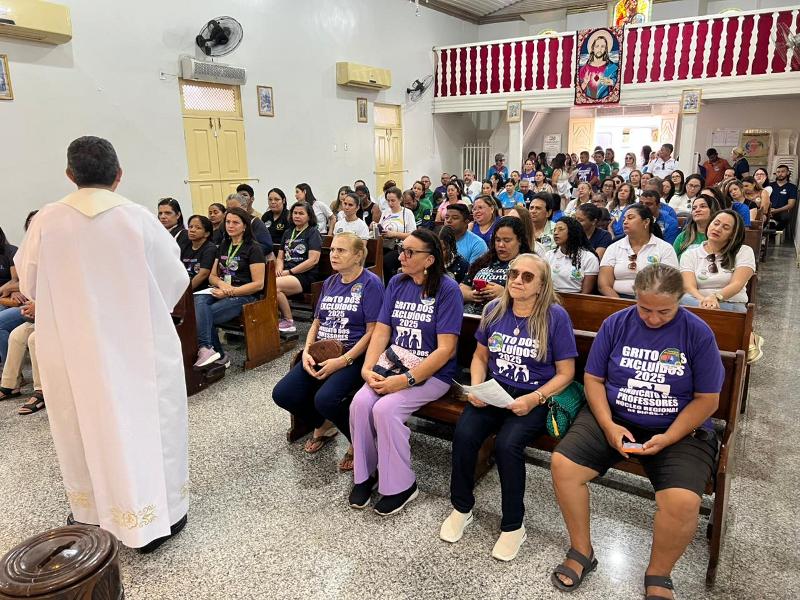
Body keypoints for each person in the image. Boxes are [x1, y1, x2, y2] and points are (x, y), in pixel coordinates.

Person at [16, 136, 189, 551]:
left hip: (72, 348)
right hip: (136, 347)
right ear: (119, 174)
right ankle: (156, 516)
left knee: (82, 424)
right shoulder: (138, 218)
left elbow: (30, 282)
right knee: (145, 425)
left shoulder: (46, 220)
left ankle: (93, 513)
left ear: (70, 174)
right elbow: (174, 279)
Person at [550, 264, 724, 598]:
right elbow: (594, 379)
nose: (653, 319)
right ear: (636, 297)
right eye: (645, 309)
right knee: (564, 466)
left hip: (678, 429)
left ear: (680, 300)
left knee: (683, 501)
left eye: (664, 311)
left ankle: (659, 572)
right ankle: (582, 550)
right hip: (614, 417)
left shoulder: (697, 333)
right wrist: (608, 425)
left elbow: (707, 400)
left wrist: (669, 437)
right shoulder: (616, 323)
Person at [441, 254, 577, 560]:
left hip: (534, 395)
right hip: (496, 390)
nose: (517, 280)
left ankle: (514, 525)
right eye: (514, 274)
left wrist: (535, 398)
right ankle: (461, 507)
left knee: (507, 445)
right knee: (464, 434)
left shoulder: (555, 316)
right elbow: (480, 356)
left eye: (528, 277)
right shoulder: (494, 309)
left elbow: (566, 373)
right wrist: (477, 387)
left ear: (542, 285)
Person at [348, 229, 463, 514]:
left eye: (410, 252)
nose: (401, 256)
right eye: (402, 249)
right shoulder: (397, 283)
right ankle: (366, 475)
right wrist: (367, 368)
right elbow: (382, 330)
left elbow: (446, 349)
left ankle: (402, 485)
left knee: (385, 410)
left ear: (429, 260)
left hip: (432, 373)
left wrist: (406, 380)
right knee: (360, 403)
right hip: (394, 362)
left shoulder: (448, 290)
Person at [273, 232, 384, 471]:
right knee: (283, 394)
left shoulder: (371, 283)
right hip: (322, 352)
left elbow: (373, 331)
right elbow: (317, 322)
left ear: (358, 255)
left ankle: (359, 441)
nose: (333, 254)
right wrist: (306, 351)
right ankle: (323, 425)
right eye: (332, 250)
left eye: (341, 250)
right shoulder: (330, 282)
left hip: (354, 355)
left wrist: (344, 360)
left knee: (325, 399)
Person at [679, 209, 762, 362]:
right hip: (697, 303)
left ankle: (747, 336)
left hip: (730, 304)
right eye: (716, 223)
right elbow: (689, 286)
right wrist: (704, 301)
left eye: (725, 227)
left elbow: (738, 283)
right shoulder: (691, 253)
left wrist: (715, 297)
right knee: (681, 302)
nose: (717, 228)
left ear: (732, 234)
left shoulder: (743, 251)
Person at [194, 207, 266, 367]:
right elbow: (212, 276)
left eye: (235, 222)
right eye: (228, 222)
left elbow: (258, 284)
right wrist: (222, 285)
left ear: (245, 226)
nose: (230, 226)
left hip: (245, 295)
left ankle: (216, 353)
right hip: (224, 289)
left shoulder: (254, 248)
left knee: (206, 315)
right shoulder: (223, 245)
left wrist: (230, 291)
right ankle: (209, 350)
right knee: (198, 300)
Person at [599, 204, 679, 298]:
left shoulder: (665, 248)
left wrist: (646, 303)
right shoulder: (613, 248)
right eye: (624, 219)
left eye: (630, 218)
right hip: (617, 298)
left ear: (646, 222)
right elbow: (604, 285)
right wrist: (619, 302)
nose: (625, 222)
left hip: (654, 300)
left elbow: (670, 283)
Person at [461, 217, 532, 315]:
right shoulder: (483, 261)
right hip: (471, 315)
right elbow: (462, 288)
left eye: (507, 240)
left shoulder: (529, 264)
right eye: (498, 240)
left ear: (520, 241)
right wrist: (472, 295)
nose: (501, 245)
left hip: (505, 316)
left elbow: (534, 297)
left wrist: (504, 294)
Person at [275, 202, 323, 333]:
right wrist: (278, 269)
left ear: (309, 216)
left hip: (305, 275)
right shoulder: (288, 233)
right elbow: (280, 257)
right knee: (269, 285)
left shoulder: (312, 232)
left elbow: (313, 260)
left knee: (273, 285)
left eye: (301, 213)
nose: (297, 216)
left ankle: (288, 321)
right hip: (286, 273)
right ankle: (276, 318)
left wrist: (290, 272)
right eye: (295, 213)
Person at [547, 217, 600, 294]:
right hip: (551, 296)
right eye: (554, 230)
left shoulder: (589, 258)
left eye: (561, 229)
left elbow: (586, 293)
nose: (555, 233)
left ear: (572, 232)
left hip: (577, 298)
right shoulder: (548, 255)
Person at [673, 193, 721, 260]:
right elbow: (672, 261)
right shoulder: (683, 236)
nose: (697, 210)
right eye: (694, 208)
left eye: (703, 206)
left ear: (713, 210)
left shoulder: (720, 236)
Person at [182, 215, 217, 290]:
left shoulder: (210, 248)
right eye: (190, 227)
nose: (192, 230)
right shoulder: (185, 246)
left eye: (198, 228)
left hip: (202, 290)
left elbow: (203, 274)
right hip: (185, 286)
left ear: (206, 233)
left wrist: (185, 292)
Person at [769, 164, 797, 235]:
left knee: (786, 217)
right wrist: (769, 210)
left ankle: (772, 234)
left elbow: (791, 205)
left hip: (781, 212)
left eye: (782, 171)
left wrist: (776, 210)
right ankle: (766, 233)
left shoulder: (792, 187)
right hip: (768, 210)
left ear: (788, 173)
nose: (780, 174)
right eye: (778, 172)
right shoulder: (770, 185)